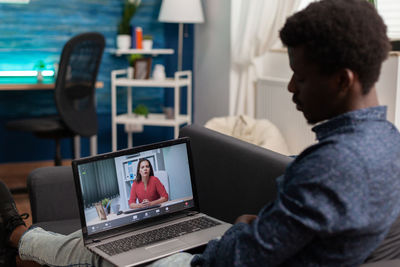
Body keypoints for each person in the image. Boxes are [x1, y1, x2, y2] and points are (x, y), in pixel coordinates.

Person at [1, 0, 400, 266]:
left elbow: (238, 259)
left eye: (301, 75)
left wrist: (236, 239)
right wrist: (256, 227)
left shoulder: (331, 165)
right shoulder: (386, 141)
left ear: (343, 80)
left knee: (102, 253)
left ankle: (18, 237)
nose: (292, 87)